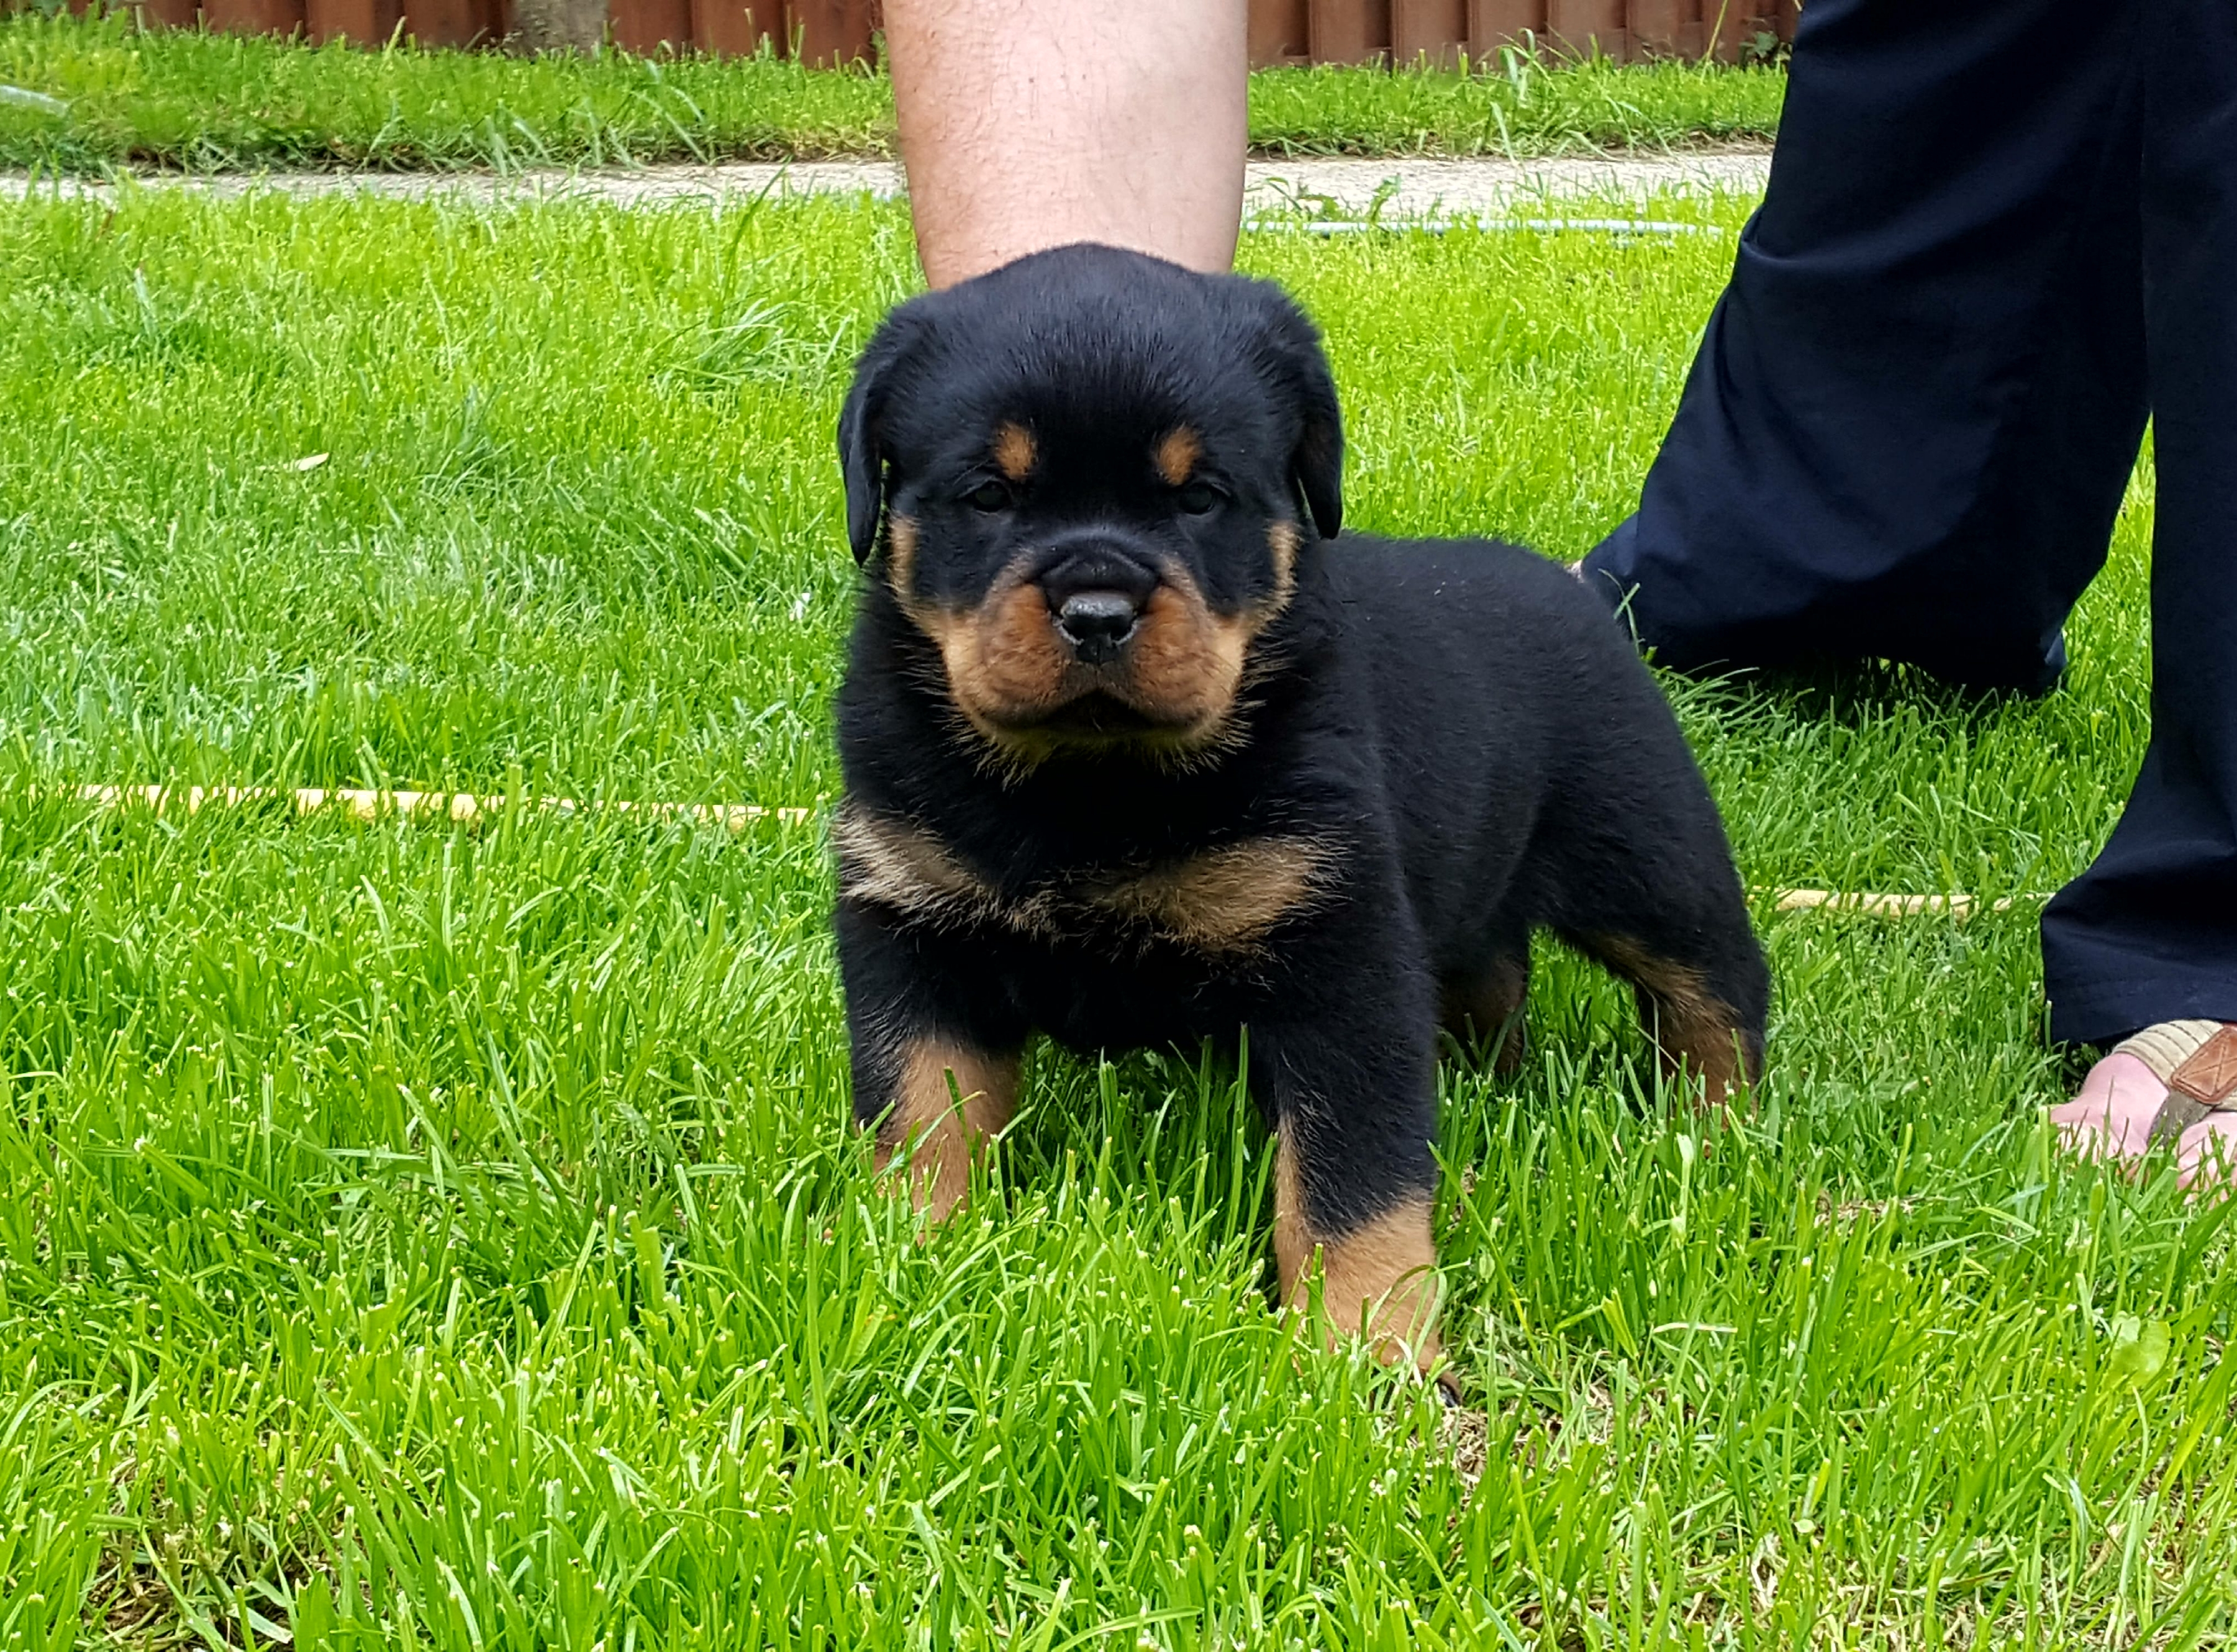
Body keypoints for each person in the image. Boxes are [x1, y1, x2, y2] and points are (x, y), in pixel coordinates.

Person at [876, 0, 2237, 1179]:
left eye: (1191, 498)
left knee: (1666, 933)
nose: (1098, 594)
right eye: (996, 500)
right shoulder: (899, 740)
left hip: (1515, 704)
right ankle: (1842, 570)